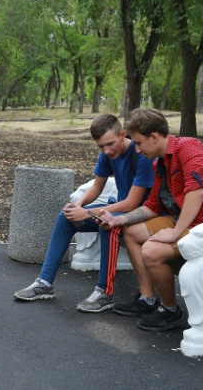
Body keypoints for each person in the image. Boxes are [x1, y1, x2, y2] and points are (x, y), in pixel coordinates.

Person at [98, 108, 203, 331]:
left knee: (152, 251)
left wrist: (175, 232)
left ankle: (170, 310)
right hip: (188, 223)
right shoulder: (159, 163)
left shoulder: (189, 148)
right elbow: (153, 206)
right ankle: (147, 298)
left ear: (154, 136)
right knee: (131, 232)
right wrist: (119, 219)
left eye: (140, 143)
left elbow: (196, 191)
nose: (138, 149)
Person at [13, 114, 154, 312]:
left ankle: (105, 293)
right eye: (101, 147)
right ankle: (44, 282)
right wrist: (77, 206)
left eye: (110, 144)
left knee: (107, 223)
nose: (106, 150)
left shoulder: (141, 155)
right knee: (66, 218)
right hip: (120, 208)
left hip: (140, 214)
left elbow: (131, 203)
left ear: (123, 135)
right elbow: (97, 187)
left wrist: (89, 214)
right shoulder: (107, 154)